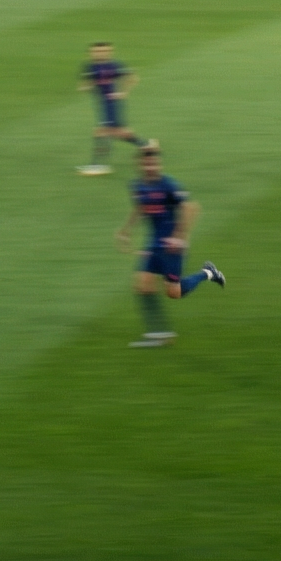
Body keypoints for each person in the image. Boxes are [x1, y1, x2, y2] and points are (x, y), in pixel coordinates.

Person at [117, 142, 224, 347]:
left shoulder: (168, 185)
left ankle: (207, 273)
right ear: (140, 164)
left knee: (173, 293)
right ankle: (159, 333)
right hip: (153, 244)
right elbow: (140, 208)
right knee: (142, 284)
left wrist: (179, 237)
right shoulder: (138, 186)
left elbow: (192, 208)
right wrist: (126, 230)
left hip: (171, 247)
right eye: (147, 163)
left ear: (159, 164)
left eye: (154, 163)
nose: (151, 167)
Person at [78, 42, 138, 174]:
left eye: (103, 51)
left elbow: (132, 78)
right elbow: (85, 83)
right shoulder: (90, 67)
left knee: (101, 132)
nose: (99, 54)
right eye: (96, 51)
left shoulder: (114, 65)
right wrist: (86, 86)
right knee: (121, 133)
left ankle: (98, 165)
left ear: (109, 52)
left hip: (112, 104)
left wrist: (123, 93)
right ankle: (147, 146)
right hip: (102, 104)